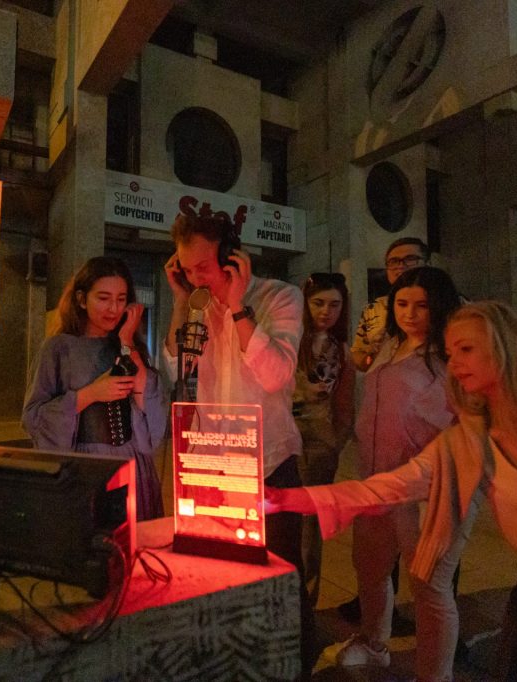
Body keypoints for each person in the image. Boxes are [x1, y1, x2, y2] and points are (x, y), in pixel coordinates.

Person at [267, 300, 517, 682]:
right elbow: (389, 488)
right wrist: (290, 499)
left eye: (466, 349)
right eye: (451, 353)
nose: (454, 364)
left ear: (508, 344)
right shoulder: (470, 442)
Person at [162, 212, 312, 672]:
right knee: (223, 573)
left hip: (268, 461)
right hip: (214, 464)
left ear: (231, 257)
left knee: (282, 576)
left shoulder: (280, 297)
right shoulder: (198, 305)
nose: (195, 277)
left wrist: (238, 307)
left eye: (202, 267)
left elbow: (277, 375)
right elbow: (176, 367)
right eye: (186, 268)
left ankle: (296, 665)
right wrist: (182, 302)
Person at [319, 266, 466, 680]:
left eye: (422, 305)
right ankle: (374, 643)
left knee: (430, 587)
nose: (410, 314)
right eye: (402, 304)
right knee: (369, 568)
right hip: (374, 482)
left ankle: (435, 674)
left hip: (423, 491)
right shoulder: (389, 345)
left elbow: (463, 425)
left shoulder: (452, 359)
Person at [23, 256, 165, 521]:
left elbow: (150, 406)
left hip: (133, 464)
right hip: (84, 466)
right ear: (81, 299)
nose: (113, 308)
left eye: (121, 299)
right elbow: (33, 417)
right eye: (103, 298)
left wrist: (127, 341)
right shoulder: (59, 348)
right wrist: (89, 395)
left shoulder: (129, 346)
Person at [293, 272, 354, 608]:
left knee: (308, 528)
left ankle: (305, 604)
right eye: (318, 303)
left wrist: (335, 441)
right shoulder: (290, 338)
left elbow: (345, 405)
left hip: (319, 441)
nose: (326, 311)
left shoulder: (341, 350)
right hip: (283, 435)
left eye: (334, 305)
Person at [350, 237, 429, 372]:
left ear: (427, 263)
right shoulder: (374, 308)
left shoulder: (447, 301)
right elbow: (358, 353)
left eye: (410, 259)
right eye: (393, 261)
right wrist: (371, 355)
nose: (401, 266)